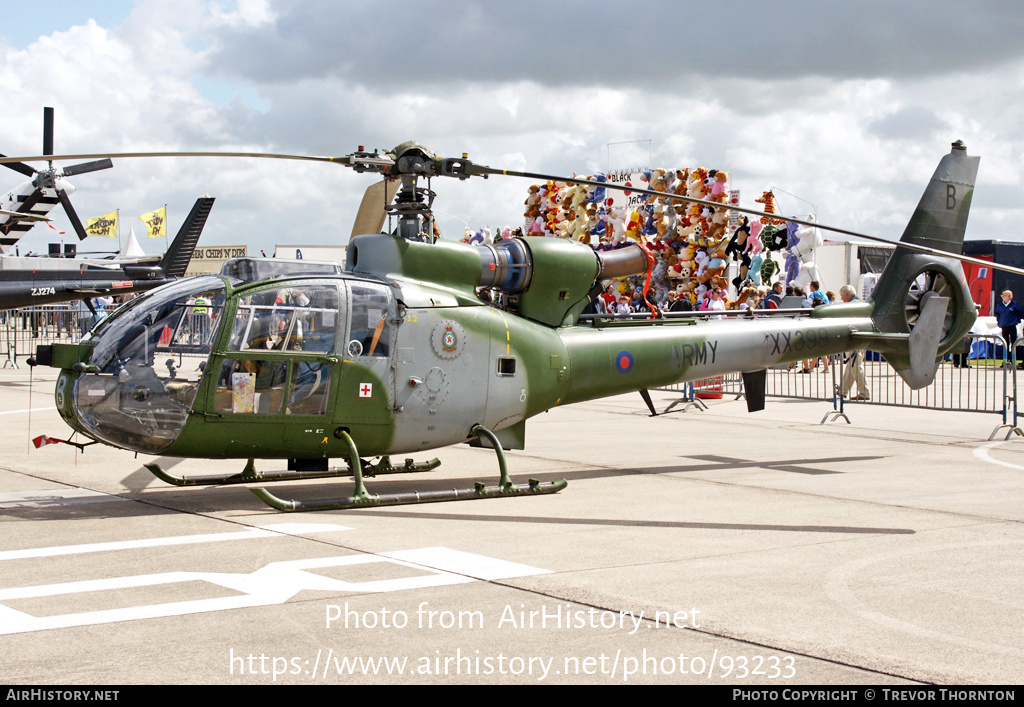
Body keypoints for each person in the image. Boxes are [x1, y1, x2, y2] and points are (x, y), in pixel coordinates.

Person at [838, 285, 870, 399]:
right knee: (852, 365)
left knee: (855, 365)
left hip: (854, 339)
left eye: (842, 296)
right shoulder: (861, 302)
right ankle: (843, 391)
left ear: (847, 295)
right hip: (862, 338)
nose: (841, 299)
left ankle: (864, 392)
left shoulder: (851, 306)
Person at [995, 290, 1024, 366]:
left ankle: (1013, 360)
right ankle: (1005, 360)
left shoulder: (1014, 304)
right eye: (1008, 295)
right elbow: (997, 314)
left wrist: (1016, 321)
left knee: (1013, 343)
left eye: (1011, 295)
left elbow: (1020, 313)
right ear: (1004, 296)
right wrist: (999, 321)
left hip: (1012, 326)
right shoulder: (1000, 305)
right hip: (1004, 326)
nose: (1010, 297)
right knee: (1005, 343)